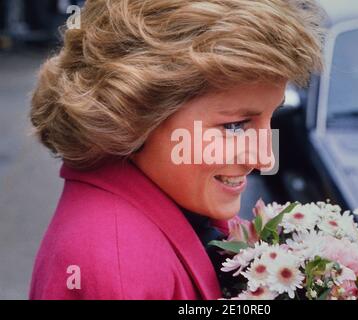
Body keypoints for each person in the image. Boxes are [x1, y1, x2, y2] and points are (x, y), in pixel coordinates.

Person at [28, 0, 323, 299]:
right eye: (235, 126)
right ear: (132, 113)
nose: (264, 157)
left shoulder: (176, 199)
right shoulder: (119, 270)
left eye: (271, 115)